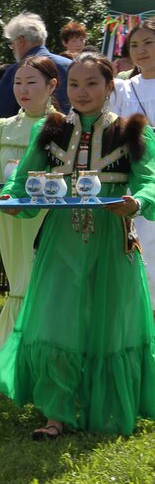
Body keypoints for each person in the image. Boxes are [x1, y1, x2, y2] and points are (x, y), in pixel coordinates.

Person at [0, 52, 155, 438]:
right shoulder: (51, 129)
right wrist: (11, 198)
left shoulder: (132, 131)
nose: (82, 92)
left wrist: (137, 202)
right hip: (61, 238)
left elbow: (149, 181)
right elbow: (22, 178)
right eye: (75, 84)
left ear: (109, 86)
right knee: (55, 319)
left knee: (110, 323)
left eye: (92, 83)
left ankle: (107, 406)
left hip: (112, 239)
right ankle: (56, 415)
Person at [0, 55, 60, 388]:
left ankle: (36, 367)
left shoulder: (64, 127)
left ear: (52, 86)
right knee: (19, 286)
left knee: (42, 287)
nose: (23, 90)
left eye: (31, 82)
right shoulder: (2, 127)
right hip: (11, 216)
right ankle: (9, 367)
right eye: (17, 82)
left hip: (50, 218)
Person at [112, 19, 155, 313]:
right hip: (137, 180)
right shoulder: (122, 90)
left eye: (149, 43)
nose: (141, 50)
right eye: (135, 45)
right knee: (141, 249)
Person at [0, 12, 72, 120]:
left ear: (20, 41)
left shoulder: (16, 71)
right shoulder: (70, 65)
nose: (12, 48)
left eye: (12, 44)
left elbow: (0, 116)